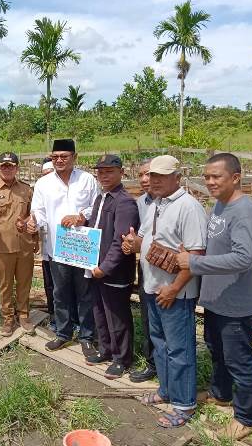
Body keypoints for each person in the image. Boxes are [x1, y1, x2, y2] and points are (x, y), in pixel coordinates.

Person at [175, 153, 252, 440]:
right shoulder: (220, 206)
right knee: (217, 352)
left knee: (239, 361)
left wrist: (194, 263)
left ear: (236, 177)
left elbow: (243, 258)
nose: (210, 182)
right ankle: (221, 394)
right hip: (216, 299)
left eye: (217, 177)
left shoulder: (244, 212)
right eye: (207, 177)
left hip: (237, 304)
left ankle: (246, 417)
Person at [121, 155, 207, 428]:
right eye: (151, 176)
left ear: (176, 178)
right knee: (160, 343)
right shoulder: (156, 204)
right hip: (153, 287)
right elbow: (146, 239)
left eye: (160, 176)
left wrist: (174, 288)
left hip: (174, 292)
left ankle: (184, 404)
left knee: (179, 349)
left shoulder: (188, 208)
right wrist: (133, 244)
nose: (153, 181)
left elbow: (196, 255)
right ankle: (166, 390)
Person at [27, 139, 100, 362]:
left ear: (74, 157)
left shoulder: (87, 180)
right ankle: (63, 332)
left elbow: (96, 206)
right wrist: (32, 223)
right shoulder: (43, 183)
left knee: (85, 292)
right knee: (60, 292)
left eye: (64, 156)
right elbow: (37, 212)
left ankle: (87, 336)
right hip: (57, 247)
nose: (59, 160)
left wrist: (81, 216)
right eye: (55, 156)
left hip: (82, 245)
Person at [84, 155, 139, 379]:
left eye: (109, 172)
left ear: (121, 173)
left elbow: (121, 240)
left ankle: (122, 358)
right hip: (95, 267)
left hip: (113, 270)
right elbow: (95, 228)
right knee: (99, 311)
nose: (104, 176)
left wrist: (105, 267)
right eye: (100, 172)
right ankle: (106, 349)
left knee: (117, 315)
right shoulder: (101, 198)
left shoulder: (124, 202)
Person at [0, 152, 38, 336]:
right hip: (3, 246)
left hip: (24, 246)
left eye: (10, 166)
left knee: (24, 283)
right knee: (5, 285)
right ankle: (7, 319)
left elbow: (34, 214)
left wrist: (35, 237)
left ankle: (23, 316)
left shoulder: (27, 189)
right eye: (3, 166)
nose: (7, 169)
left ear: (17, 168)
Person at [129, 159, 157, 383]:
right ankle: (152, 363)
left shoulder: (178, 204)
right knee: (148, 316)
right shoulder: (139, 203)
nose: (144, 179)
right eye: (141, 175)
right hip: (146, 266)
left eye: (149, 174)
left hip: (170, 270)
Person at [39, 159, 56, 331]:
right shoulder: (40, 190)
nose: (48, 178)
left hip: (67, 249)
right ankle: (54, 315)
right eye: (44, 175)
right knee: (50, 284)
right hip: (47, 248)